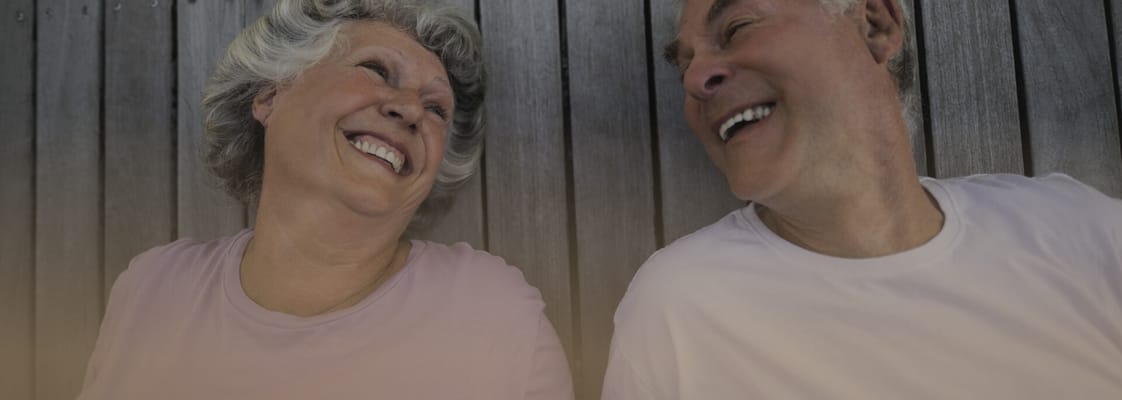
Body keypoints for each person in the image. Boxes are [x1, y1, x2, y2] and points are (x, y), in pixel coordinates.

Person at [603, 0, 1122, 398]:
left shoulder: (1078, 232)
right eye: (685, 67)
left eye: (738, 27)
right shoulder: (680, 310)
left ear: (874, 24)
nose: (695, 80)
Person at [78, 1, 573, 399]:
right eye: (378, 70)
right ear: (269, 96)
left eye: (436, 107)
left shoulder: (493, 315)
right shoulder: (150, 290)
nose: (408, 110)